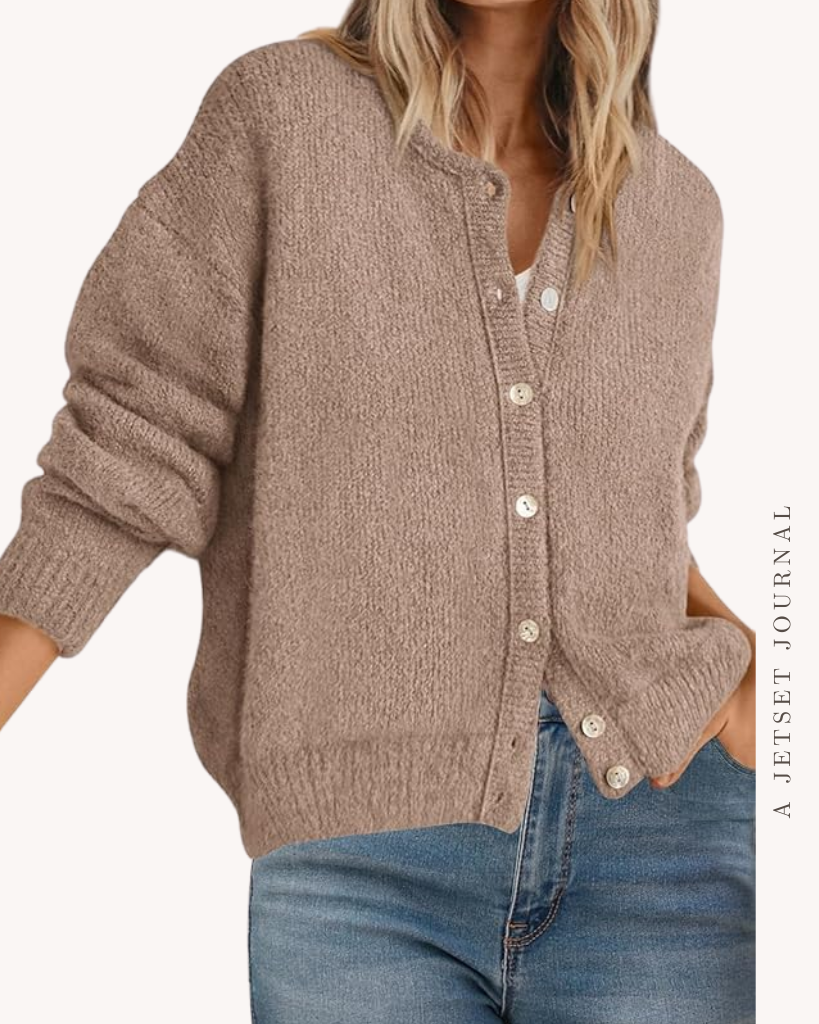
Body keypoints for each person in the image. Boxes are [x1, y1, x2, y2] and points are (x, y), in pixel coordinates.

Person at [0, 1, 756, 1021]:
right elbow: (134, 440)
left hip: (666, 849)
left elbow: (643, 520)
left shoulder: (677, 208)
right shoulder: (284, 118)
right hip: (360, 862)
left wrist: (768, 689)